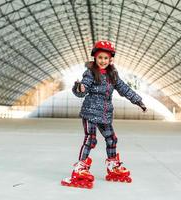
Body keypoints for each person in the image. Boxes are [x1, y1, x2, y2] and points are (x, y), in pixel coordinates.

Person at [61, 41, 147, 189]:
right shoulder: (90, 73)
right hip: (90, 113)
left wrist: (138, 101)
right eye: (100, 57)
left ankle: (113, 165)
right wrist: (80, 87)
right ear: (95, 58)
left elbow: (124, 89)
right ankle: (80, 167)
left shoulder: (113, 75)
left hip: (105, 115)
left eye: (106, 58)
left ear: (110, 59)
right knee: (91, 139)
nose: (103, 61)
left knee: (111, 139)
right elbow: (83, 88)